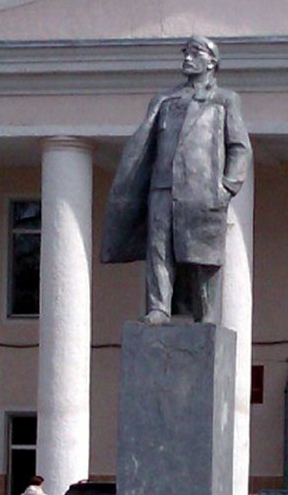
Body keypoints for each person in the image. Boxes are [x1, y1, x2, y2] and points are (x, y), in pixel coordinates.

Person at [100, 36, 252, 325]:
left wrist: (228, 186)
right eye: (186, 52)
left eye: (195, 52)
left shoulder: (224, 100)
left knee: (203, 256)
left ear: (212, 61)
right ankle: (159, 308)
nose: (187, 57)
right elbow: (146, 145)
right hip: (161, 187)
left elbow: (239, 147)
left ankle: (205, 314)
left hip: (203, 190)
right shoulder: (164, 100)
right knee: (158, 248)